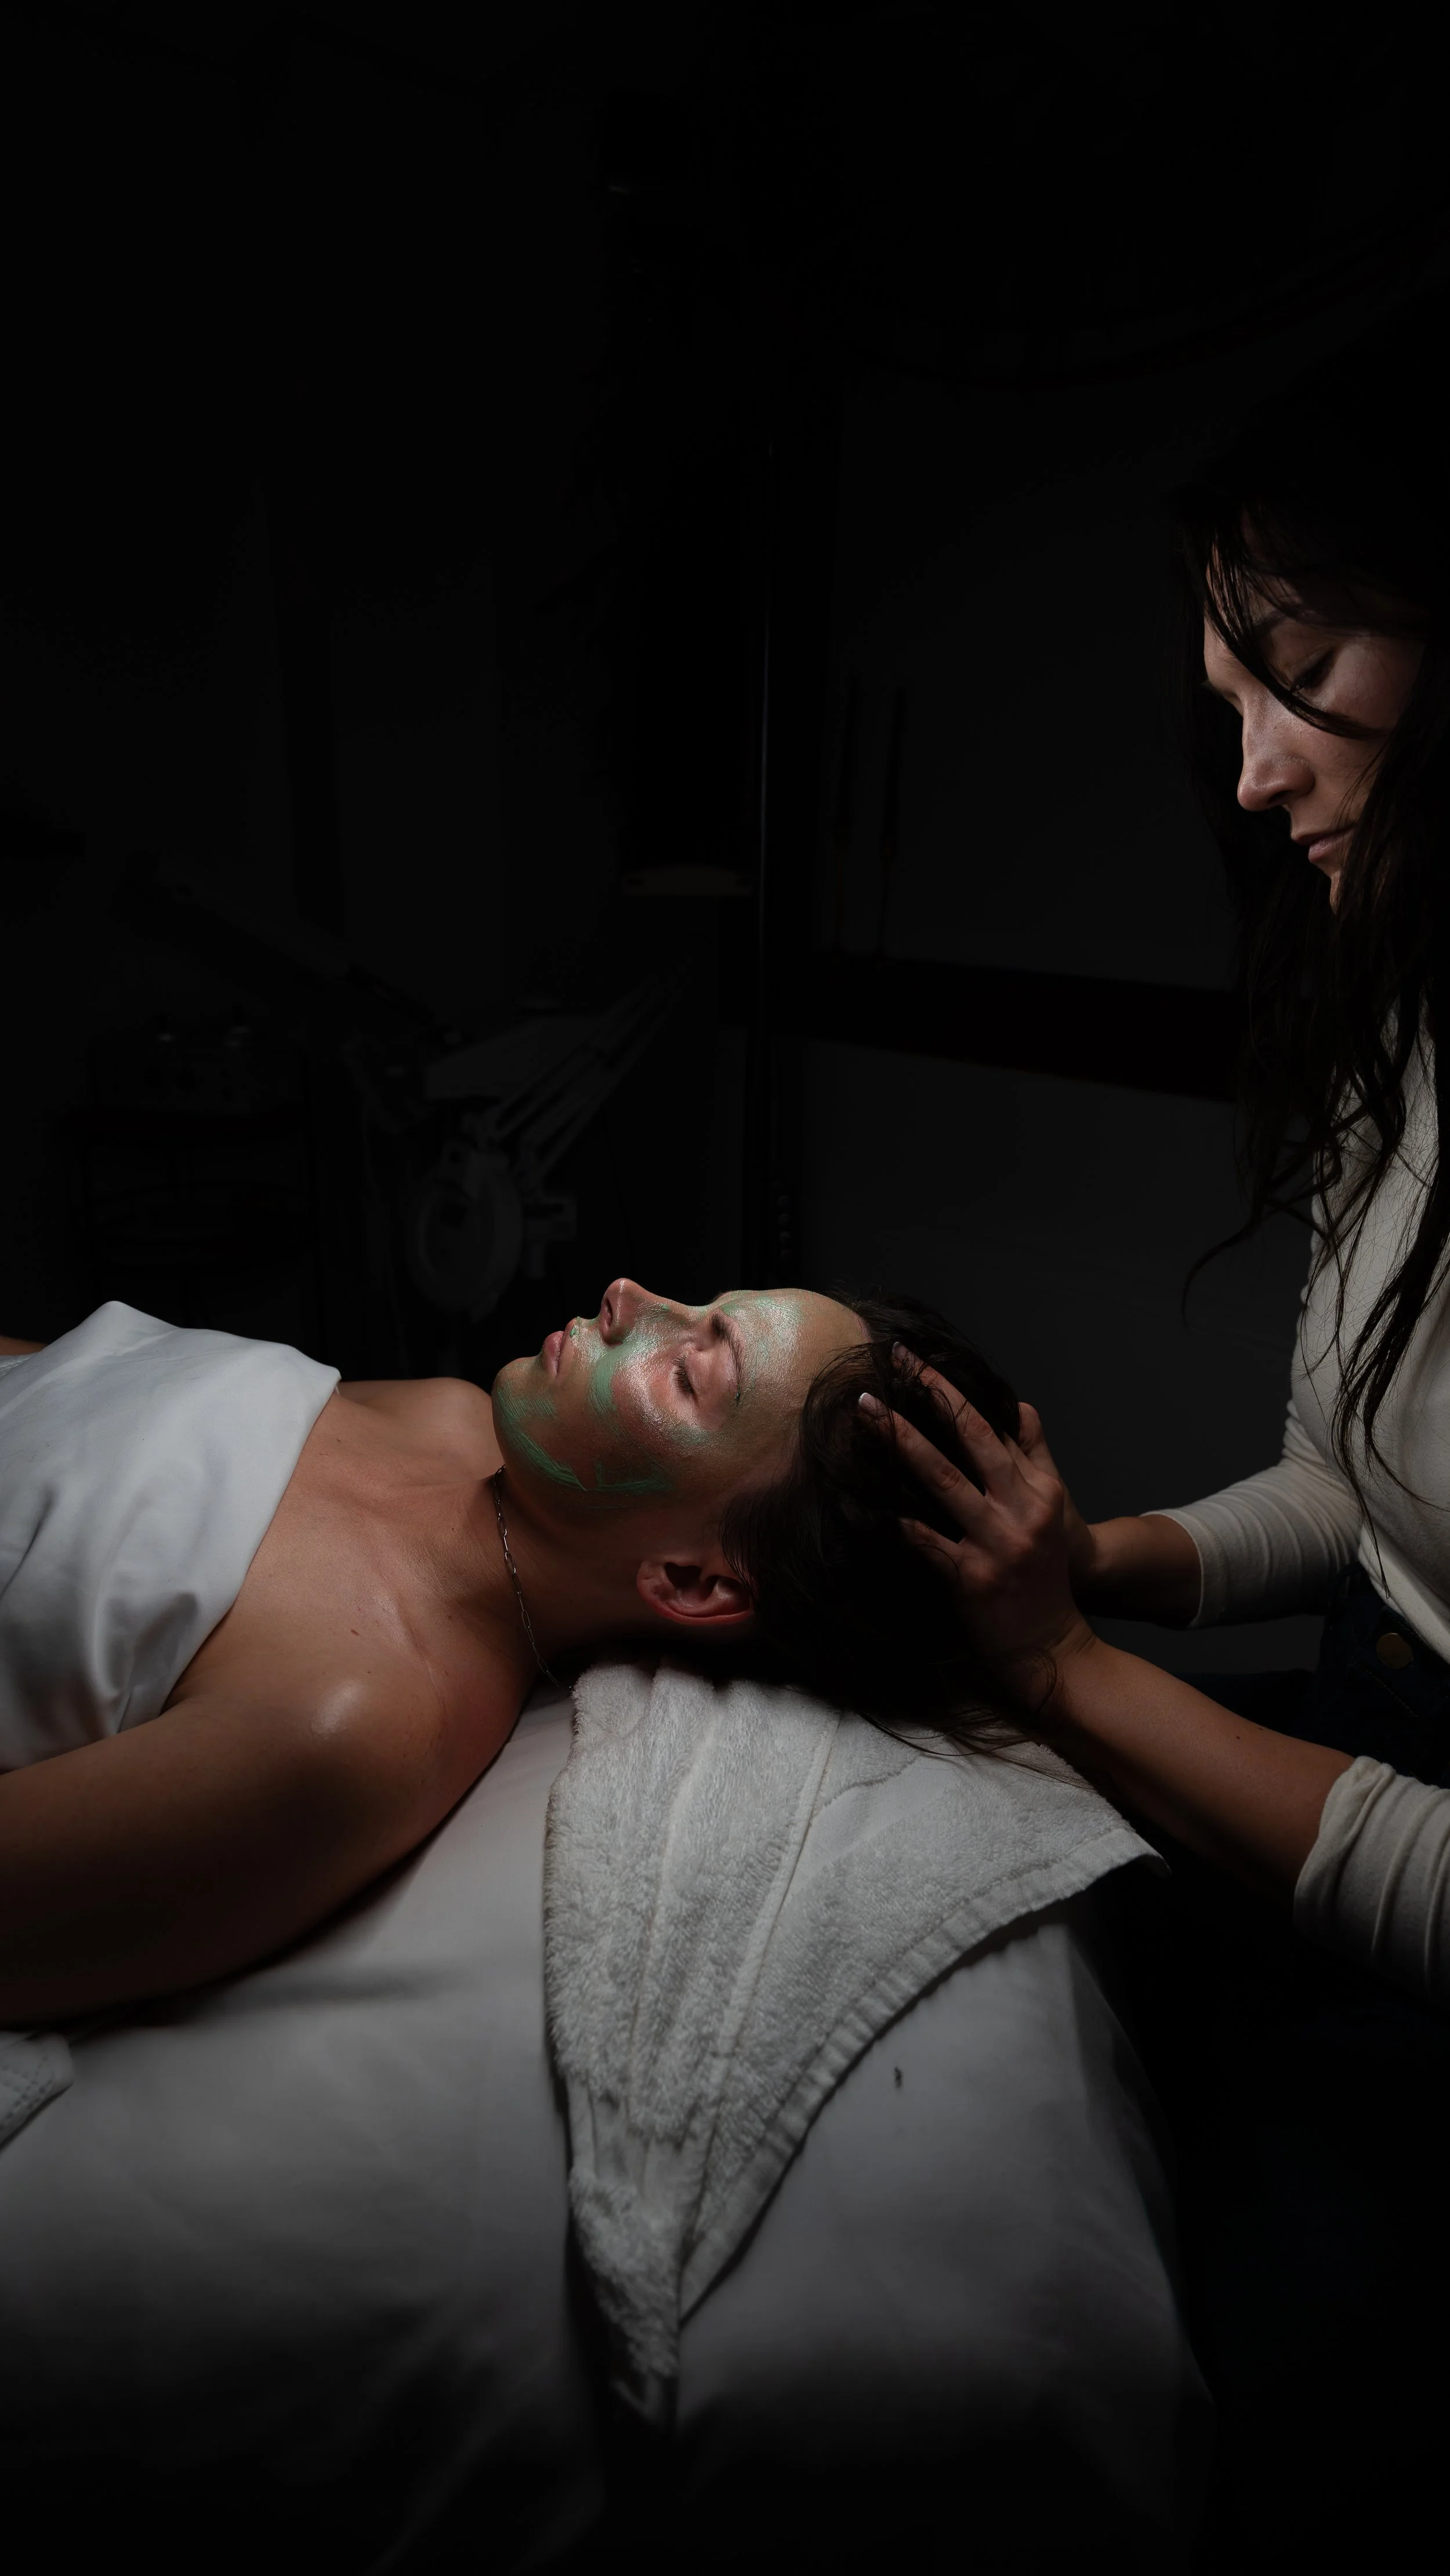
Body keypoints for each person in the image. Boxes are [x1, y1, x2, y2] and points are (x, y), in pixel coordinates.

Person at [844, 300, 1450, 2570]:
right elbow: (1350, 1495)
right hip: (1364, 1739)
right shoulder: (1395, 1002)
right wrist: (1087, 1569)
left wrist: (1059, 1672)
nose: (1254, 774)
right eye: (1226, 702)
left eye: (1301, 674)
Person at [0, 1280, 1020, 2032]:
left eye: (689, 1371)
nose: (628, 1296)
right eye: (695, 1302)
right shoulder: (448, 1415)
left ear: (694, 1583)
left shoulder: (354, 1725)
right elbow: (68, 1391)